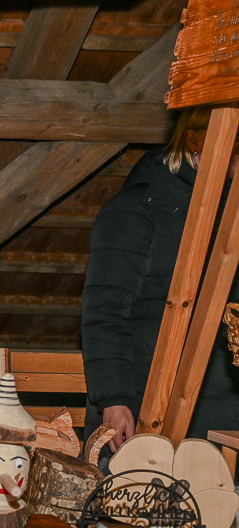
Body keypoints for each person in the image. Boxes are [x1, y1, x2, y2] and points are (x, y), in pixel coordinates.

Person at [81, 107, 239, 459]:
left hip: (222, 411)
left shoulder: (232, 215)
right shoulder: (133, 211)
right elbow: (105, 310)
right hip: (142, 403)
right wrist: (114, 400)